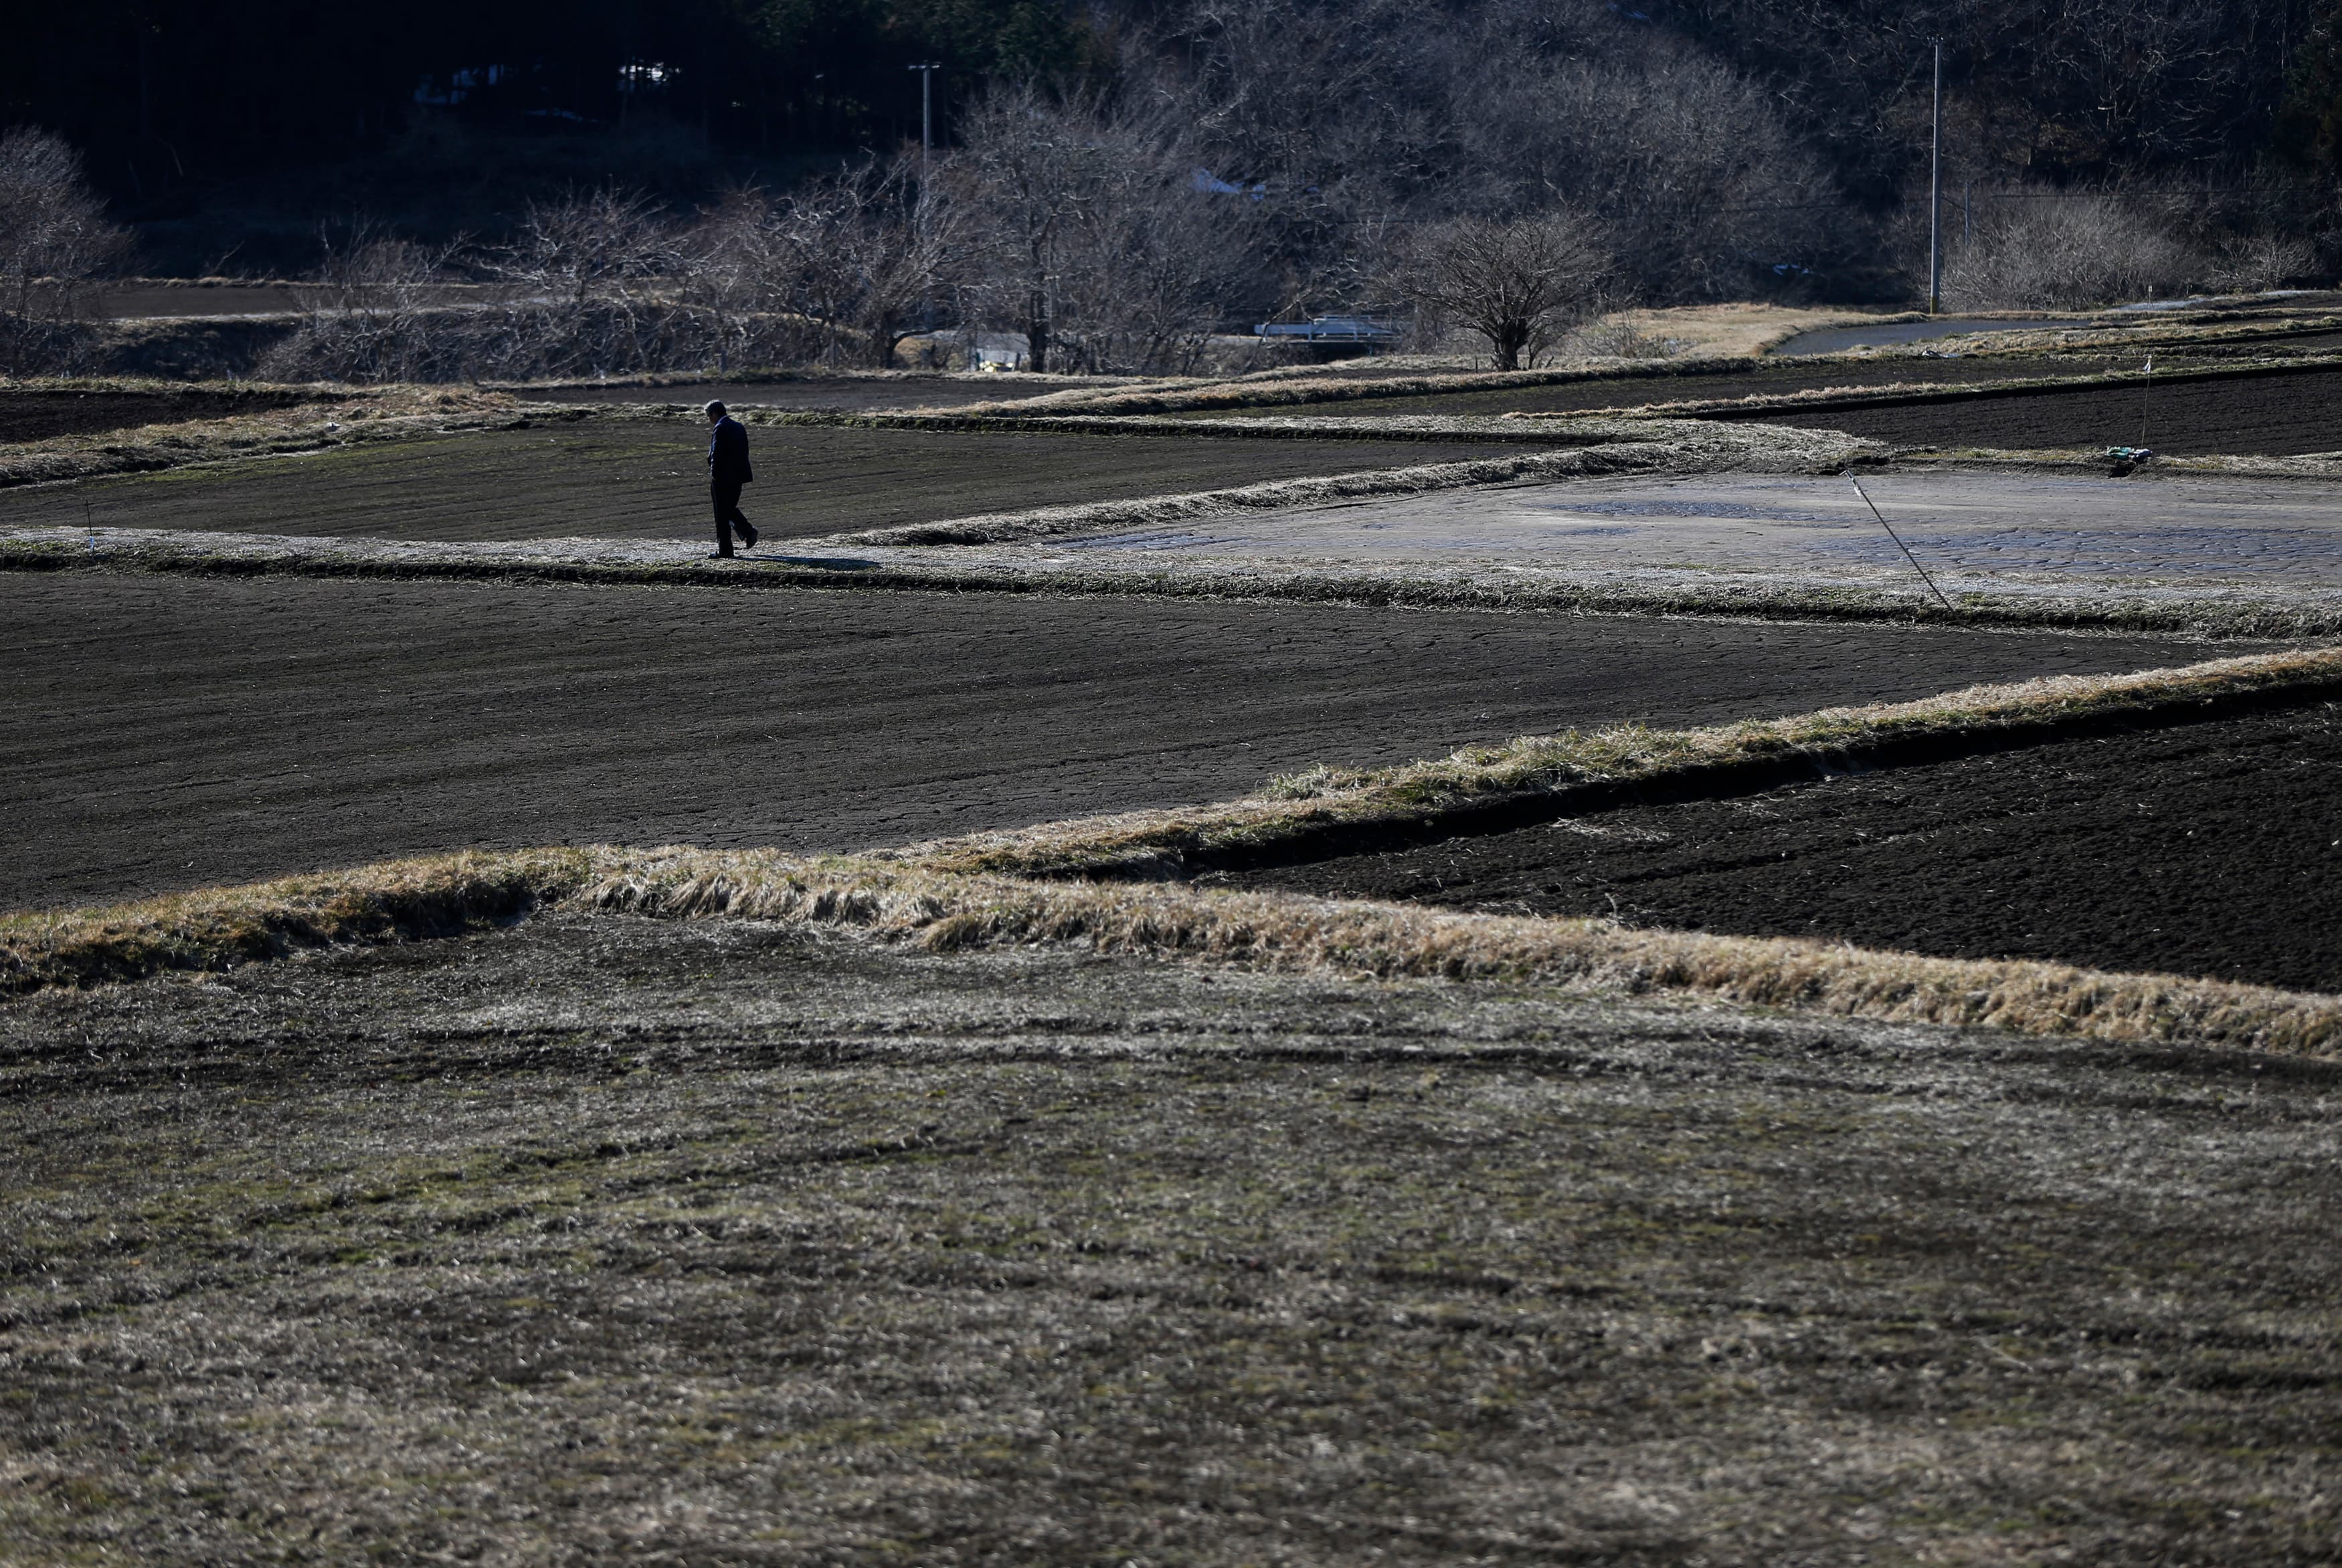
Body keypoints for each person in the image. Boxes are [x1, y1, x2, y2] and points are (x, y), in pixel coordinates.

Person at [704, 399, 758, 557]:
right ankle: (748, 532)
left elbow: (716, 455)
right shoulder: (739, 426)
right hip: (739, 476)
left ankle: (726, 550)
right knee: (729, 509)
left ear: (714, 414)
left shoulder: (720, 428)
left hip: (723, 477)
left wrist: (714, 475)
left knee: (721, 514)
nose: (709, 419)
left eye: (709, 416)